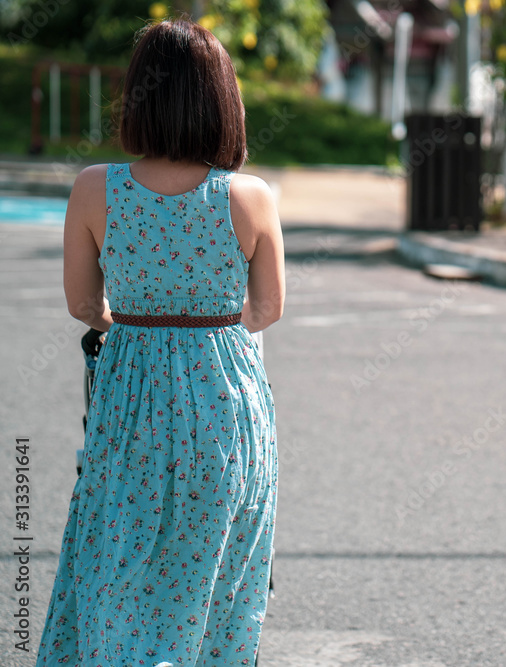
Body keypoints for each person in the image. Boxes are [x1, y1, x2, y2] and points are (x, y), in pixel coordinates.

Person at [36, 18, 284, 667]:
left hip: (132, 400)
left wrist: (142, 327)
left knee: (117, 562)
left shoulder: (96, 189)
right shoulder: (250, 197)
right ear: (222, 99)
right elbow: (267, 309)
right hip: (226, 404)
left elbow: (83, 305)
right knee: (219, 569)